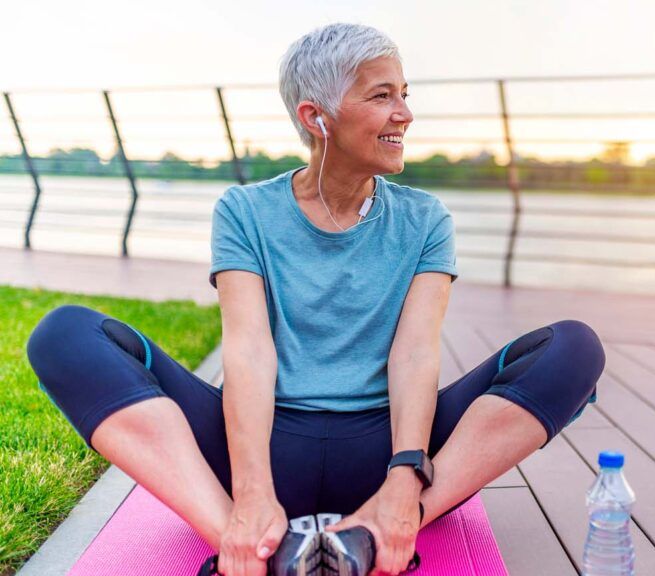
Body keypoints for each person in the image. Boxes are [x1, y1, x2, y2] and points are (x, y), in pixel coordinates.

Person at [26, 22, 604, 576]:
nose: (404, 113)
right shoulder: (245, 211)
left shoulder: (426, 219)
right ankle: (241, 536)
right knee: (65, 334)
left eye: (404, 94)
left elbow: (415, 355)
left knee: (574, 350)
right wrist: (252, 492)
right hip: (258, 449)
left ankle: (380, 529)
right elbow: (248, 349)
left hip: (388, 455)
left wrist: (405, 479)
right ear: (316, 117)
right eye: (382, 96)